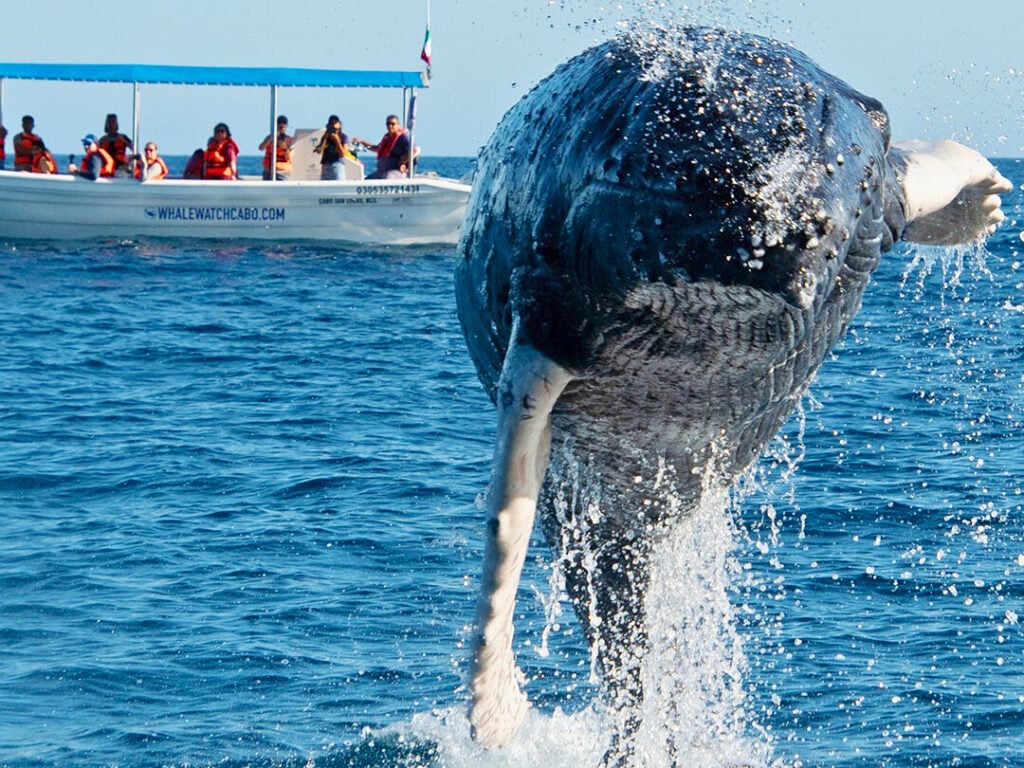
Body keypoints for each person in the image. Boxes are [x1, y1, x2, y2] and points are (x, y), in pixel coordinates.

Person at [353, 114, 412, 179]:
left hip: (396, 171)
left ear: (398, 125)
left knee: (387, 177)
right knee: (367, 180)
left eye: (393, 124)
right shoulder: (387, 138)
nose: (390, 126)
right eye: (388, 124)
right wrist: (361, 141)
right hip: (383, 171)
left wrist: (404, 161)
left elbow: (415, 150)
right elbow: (376, 148)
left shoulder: (402, 138)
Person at [313, 114, 354, 180]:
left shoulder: (343, 137)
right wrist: (325, 137)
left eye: (335, 123)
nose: (333, 126)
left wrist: (337, 141)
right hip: (326, 165)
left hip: (337, 165)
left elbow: (343, 154)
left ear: (339, 124)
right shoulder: (326, 137)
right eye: (331, 123)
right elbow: (320, 150)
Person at [259, 115, 293, 180]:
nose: (282, 126)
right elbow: (261, 148)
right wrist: (271, 138)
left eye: (284, 123)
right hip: (268, 171)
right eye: (280, 123)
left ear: (287, 125)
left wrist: (284, 148)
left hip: (282, 172)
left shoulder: (289, 140)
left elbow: (289, 157)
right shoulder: (269, 138)